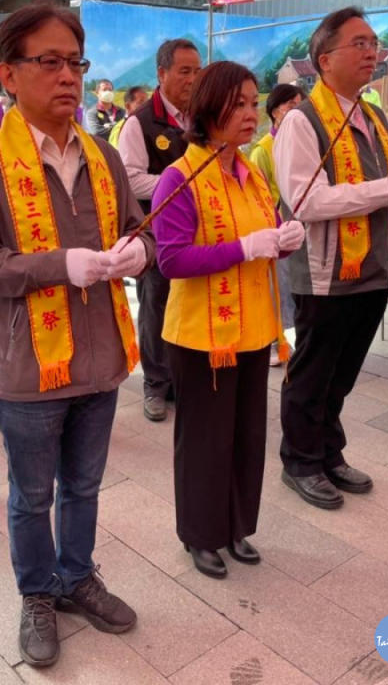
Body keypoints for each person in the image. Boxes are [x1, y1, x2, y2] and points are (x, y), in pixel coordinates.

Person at [0, 2, 151, 669]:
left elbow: (135, 228)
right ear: (8, 74)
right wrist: (57, 265)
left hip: (101, 357)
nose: (67, 76)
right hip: (28, 367)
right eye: (50, 62)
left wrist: (137, 252)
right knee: (32, 495)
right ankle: (37, 593)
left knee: (85, 488)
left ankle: (77, 575)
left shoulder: (101, 154)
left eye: (76, 62)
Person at [274, 8, 388, 510]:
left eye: (373, 42)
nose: (372, 52)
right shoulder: (300, 122)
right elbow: (307, 202)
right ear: (325, 60)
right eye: (359, 43)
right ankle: (300, 461)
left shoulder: (373, 115)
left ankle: (328, 451)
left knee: (343, 372)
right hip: (327, 272)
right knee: (312, 371)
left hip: (375, 266)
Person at [153, 61, 305, 579]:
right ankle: (200, 534)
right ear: (209, 109)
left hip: (254, 329)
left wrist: (284, 239)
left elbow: (266, 236)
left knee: (245, 435)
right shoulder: (181, 177)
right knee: (204, 439)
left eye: (252, 101)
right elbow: (170, 259)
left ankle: (237, 525)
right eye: (237, 103)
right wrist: (243, 247)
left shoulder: (251, 173)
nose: (249, 112)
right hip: (201, 335)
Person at [118, 38, 201, 422]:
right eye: (184, 71)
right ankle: (155, 382)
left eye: (197, 71)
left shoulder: (202, 116)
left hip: (201, 229)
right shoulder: (139, 123)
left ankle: (183, 381)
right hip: (157, 231)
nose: (192, 79)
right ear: (162, 74)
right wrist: (182, 184)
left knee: (191, 302)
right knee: (156, 304)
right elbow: (131, 181)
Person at [249, 83, 305, 366]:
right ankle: (274, 341)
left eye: (300, 105)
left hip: (301, 227)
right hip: (277, 228)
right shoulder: (263, 150)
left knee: (295, 287)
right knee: (277, 288)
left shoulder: (304, 144)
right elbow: (259, 195)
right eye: (290, 105)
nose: (296, 111)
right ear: (274, 111)